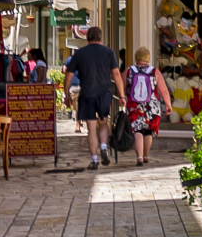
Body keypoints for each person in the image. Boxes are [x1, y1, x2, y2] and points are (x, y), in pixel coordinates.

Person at [63, 26, 124, 170]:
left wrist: (67, 95)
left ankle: (94, 159)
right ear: (101, 38)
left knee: (91, 129)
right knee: (103, 123)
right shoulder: (109, 52)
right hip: (104, 92)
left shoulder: (79, 54)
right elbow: (116, 74)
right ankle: (103, 146)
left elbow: (69, 76)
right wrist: (122, 95)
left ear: (87, 37)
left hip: (87, 93)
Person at [124, 47, 171, 166]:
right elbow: (163, 90)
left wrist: (122, 98)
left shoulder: (129, 70)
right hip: (152, 106)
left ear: (136, 57)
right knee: (148, 131)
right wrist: (168, 104)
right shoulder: (154, 71)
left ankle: (139, 157)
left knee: (137, 130)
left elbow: (122, 87)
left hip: (134, 106)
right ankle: (145, 155)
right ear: (148, 58)